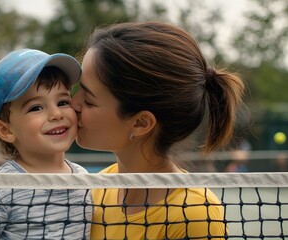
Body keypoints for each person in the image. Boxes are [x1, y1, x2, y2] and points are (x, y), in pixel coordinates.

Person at [71, 21, 246, 239]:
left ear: (141, 123)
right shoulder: (96, 187)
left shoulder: (195, 215)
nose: (72, 104)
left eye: (88, 100)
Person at [0, 49, 92, 239]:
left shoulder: (84, 178)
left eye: (63, 102)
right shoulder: (1, 186)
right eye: (36, 107)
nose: (56, 114)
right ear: (6, 130)